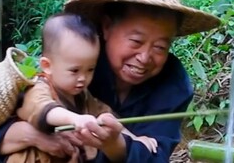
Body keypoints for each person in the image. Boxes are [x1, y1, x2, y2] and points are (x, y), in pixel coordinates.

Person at [0, 0, 220, 162]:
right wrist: (30, 135)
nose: (145, 57)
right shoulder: (75, 58)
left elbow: (155, 155)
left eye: (160, 47)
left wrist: (117, 144)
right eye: (136, 41)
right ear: (106, 28)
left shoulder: (172, 82)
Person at [11, 13, 158, 162]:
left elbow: (108, 119)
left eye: (90, 69)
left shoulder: (83, 96)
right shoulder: (39, 88)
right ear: (47, 66)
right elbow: (45, 109)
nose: (83, 78)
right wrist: (75, 119)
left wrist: (135, 139)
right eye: (74, 70)